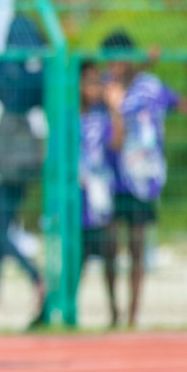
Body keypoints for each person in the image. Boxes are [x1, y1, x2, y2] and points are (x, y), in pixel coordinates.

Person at [101, 30, 187, 328]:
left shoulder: (151, 87)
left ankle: (132, 317)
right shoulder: (105, 88)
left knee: (136, 245)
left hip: (142, 180)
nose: (116, 65)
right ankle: (113, 313)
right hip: (110, 179)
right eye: (111, 60)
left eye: (122, 58)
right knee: (108, 246)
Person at [0, 15, 46, 317]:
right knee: (1, 232)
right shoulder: (38, 84)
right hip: (23, 167)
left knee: (0, 234)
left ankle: (35, 276)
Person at [60, 60, 121, 328]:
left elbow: (117, 143)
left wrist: (114, 108)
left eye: (98, 82)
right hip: (77, 197)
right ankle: (69, 310)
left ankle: (115, 312)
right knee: (77, 256)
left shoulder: (102, 117)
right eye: (89, 82)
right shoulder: (69, 116)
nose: (94, 87)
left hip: (101, 195)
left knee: (109, 251)